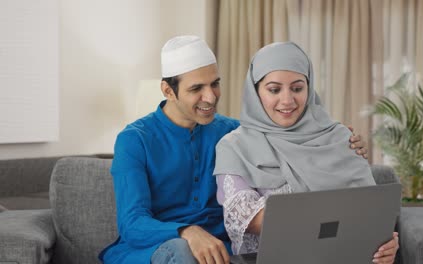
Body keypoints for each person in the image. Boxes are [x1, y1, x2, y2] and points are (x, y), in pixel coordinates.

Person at [99, 36, 369, 264]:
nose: (211, 97)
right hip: (157, 249)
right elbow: (132, 222)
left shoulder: (235, 133)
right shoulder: (134, 140)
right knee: (182, 252)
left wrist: (338, 142)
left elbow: (284, 135)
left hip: (221, 251)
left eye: (215, 84)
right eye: (197, 88)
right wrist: (188, 232)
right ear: (168, 91)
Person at [214, 42, 399, 264]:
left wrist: (385, 242)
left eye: (297, 88)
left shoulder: (339, 136)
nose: (287, 100)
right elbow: (247, 219)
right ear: (255, 91)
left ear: (309, 88)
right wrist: (344, 219)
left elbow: (370, 209)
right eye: (274, 89)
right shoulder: (233, 146)